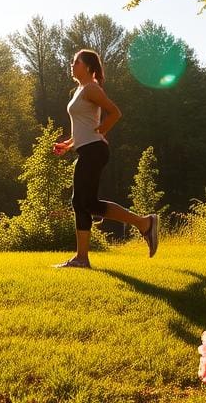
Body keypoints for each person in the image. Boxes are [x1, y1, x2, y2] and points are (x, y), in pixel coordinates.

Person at [52, 48, 159, 268]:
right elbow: (83, 126)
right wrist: (68, 145)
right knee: (86, 203)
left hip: (94, 150)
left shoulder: (91, 88)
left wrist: (102, 131)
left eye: (76, 62)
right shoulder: (80, 90)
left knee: (81, 202)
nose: (72, 65)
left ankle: (142, 224)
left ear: (88, 67)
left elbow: (115, 112)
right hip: (87, 149)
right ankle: (143, 223)